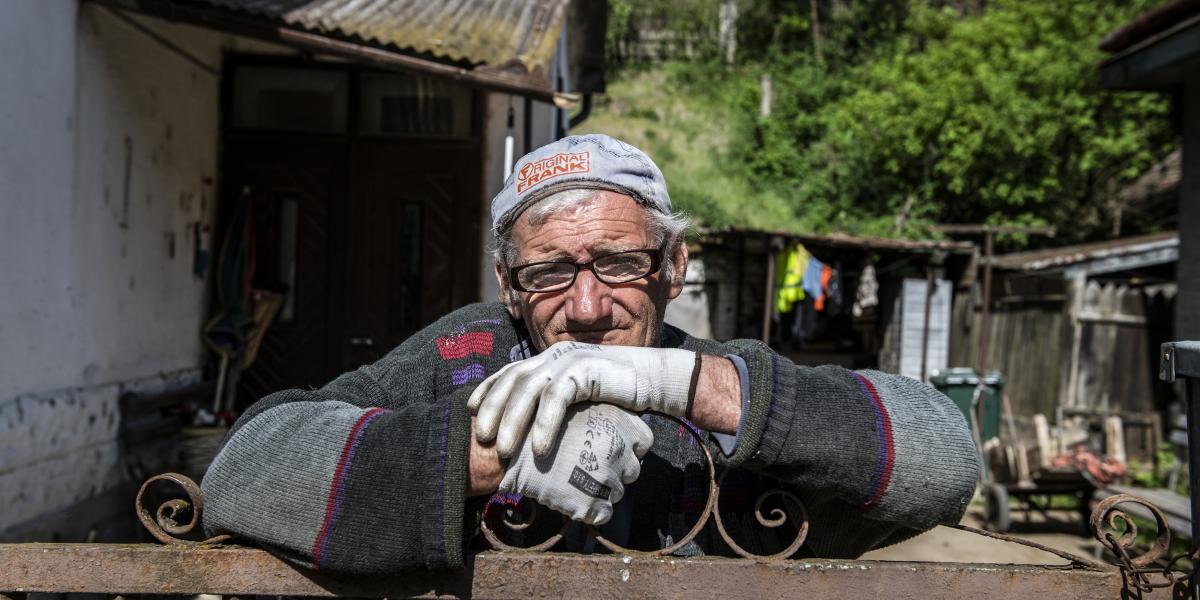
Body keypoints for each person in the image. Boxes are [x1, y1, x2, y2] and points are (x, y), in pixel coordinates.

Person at [200, 134, 980, 574]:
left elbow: (946, 461)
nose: (585, 306)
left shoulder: (717, 382)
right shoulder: (469, 351)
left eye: (618, 263)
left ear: (674, 267)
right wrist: (494, 451)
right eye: (547, 273)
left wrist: (679, 382)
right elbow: (243, 472)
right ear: (509, 284)